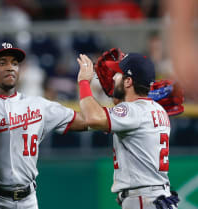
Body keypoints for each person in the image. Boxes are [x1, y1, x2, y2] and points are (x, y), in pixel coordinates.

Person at [0, 41, 88, 209]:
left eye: (15, 63)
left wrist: (87, 85)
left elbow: (88, 120)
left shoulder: (37, 105)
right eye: (2, 63)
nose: (10, 67)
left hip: (28, 199)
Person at [76, 53, 179, 209]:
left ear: (128, 81)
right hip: (155, 196)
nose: (113, 78)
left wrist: (84, 82)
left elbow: (93, 118)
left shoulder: (134, 111)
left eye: (118, 74)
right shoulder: (158, 109)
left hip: (144, 200)